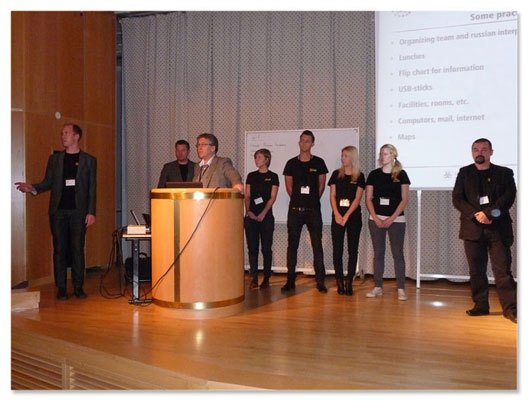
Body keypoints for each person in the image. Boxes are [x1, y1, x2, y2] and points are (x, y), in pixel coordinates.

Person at [15, 124, 97, 300]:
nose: (63, 136)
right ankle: (61, 288)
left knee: (77, 249)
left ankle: (78, 287)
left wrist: (91, 212)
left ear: (76, 136)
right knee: (59, 249)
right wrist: (32, 188)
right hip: (58, 212)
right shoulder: (55, 159)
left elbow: (92, 188)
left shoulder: (89, 160)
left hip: (79, 212)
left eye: (66, 133)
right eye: (62, 134)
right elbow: (48, 182)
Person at [452, 138, 517, 323]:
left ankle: (511, 309)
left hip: (498, 230)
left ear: (491, 152)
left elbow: (508, 198)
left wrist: (489, 214)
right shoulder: (464, 173)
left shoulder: (504, 173)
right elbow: (457, 199)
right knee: (476, 271)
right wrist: (476, 215)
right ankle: (481, 305)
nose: (479, 152)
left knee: (503, 272)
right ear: (472, 152)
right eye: (476, 149)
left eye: (483, 149)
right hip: (472, 229)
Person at [281, 130, 329, 293]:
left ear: (312, 143)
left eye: (307, 141)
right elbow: (289, 187)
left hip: (313, 211)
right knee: (292, 245)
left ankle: (320, 281)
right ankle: (290, 280)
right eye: (302, 140)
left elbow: (321, 186)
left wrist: (311, 201)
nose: (304, 143)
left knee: (317, 245)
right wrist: (299, 200)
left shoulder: (319, 163)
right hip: (295, 211)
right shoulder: (291, 163)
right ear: (299, 142)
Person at [365, 144, 410, 301]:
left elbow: (405, 199)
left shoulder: (402, 174)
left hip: (396, 220)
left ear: (393, 156)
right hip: (375, 219)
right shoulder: (373, 174)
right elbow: (368, 199)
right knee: (378, 253)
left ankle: (401, 289)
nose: (382, 156)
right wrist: (376, 218)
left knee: (398, 253)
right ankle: (378, 287)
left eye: (385, 154)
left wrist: (391, 219)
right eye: (381, 153)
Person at [328, 146, 365, 295]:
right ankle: (339, 281)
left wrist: (347, 215)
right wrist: (337, 214)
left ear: (353, 158)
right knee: (337, 250)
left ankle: (349, 281)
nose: (343, 158)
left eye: (346, 156)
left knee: (352, 250)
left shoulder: (360, 176)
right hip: (337, 216)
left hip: (353, 217)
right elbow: (332, 196)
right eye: (342, 155)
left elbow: (357, 198)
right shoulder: (336, 174)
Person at [244, 149, 279, 290]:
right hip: (251, 216)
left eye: (259, 157)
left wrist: (263, 213)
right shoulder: (251, 176)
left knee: (266, 248)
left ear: (267, 159)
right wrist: (249, 211)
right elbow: (247, 196)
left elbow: (272, 198)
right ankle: (254, 278)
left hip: (266, 217)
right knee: (252, 248)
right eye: (255, 157)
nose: (256, 160)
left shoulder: (273, 176)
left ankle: (266, 278)